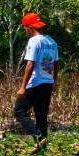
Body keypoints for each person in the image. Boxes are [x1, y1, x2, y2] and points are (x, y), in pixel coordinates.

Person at [14, 12, 59, 147]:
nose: (26, 31)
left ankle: (39, 138)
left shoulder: (34, 41)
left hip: (35, 82)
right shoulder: (51, 41)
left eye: (25, 28)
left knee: (20, 112)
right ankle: (42, 148)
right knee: (41, 116)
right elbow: (56, 64)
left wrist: (23, 87)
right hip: (47, 83)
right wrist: (54, 80)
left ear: (30, 27)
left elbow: (30, 64)